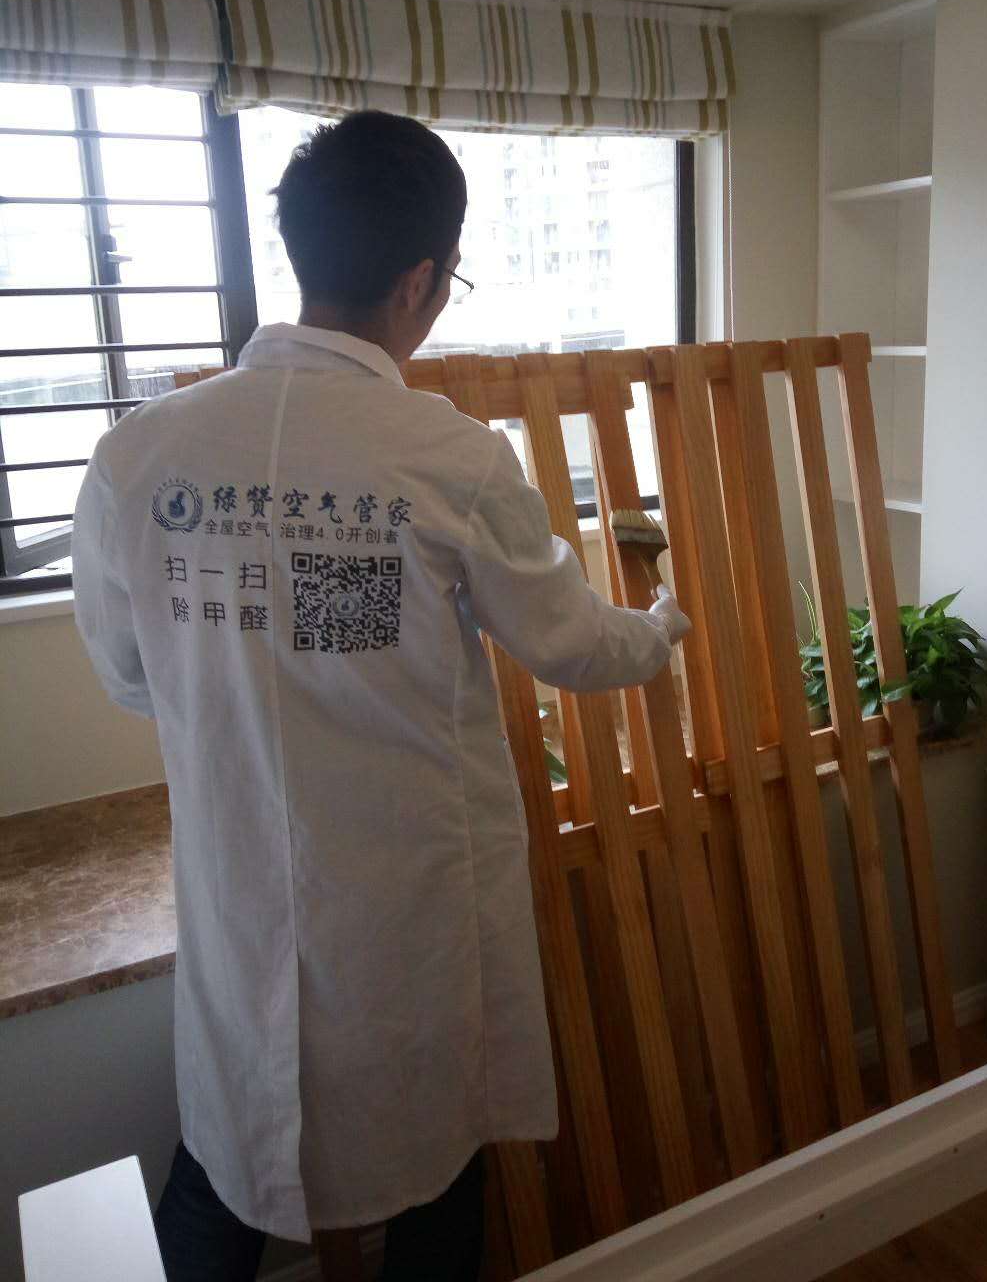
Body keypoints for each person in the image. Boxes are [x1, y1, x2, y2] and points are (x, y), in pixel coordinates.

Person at [73, 110, 691, 1282]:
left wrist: (249, 686)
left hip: (242, 895)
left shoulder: (138, 457)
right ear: (420, 280)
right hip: (408, 911)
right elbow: (568, 642)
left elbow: (129, 674)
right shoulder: (446, 458)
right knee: (436, 1181)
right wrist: (658, 629)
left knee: (225, 1172)